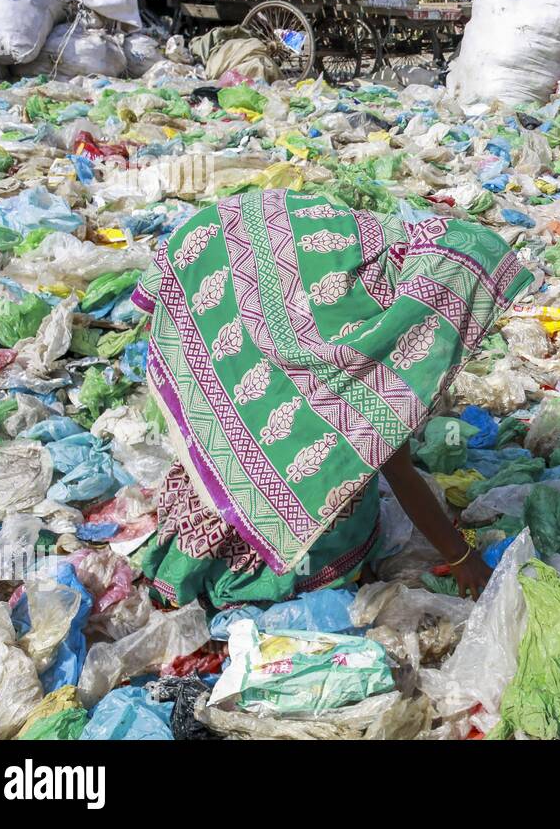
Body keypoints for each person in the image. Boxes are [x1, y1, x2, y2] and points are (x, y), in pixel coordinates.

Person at [132, 189, 534, 607]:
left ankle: (208, 497)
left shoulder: (380, 242)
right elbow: (394, 464)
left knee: (254, 407)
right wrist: (461, 556)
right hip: (226, 270)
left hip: (215, 255)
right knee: (334, 475)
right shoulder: (367, 343)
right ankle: (239, 557)